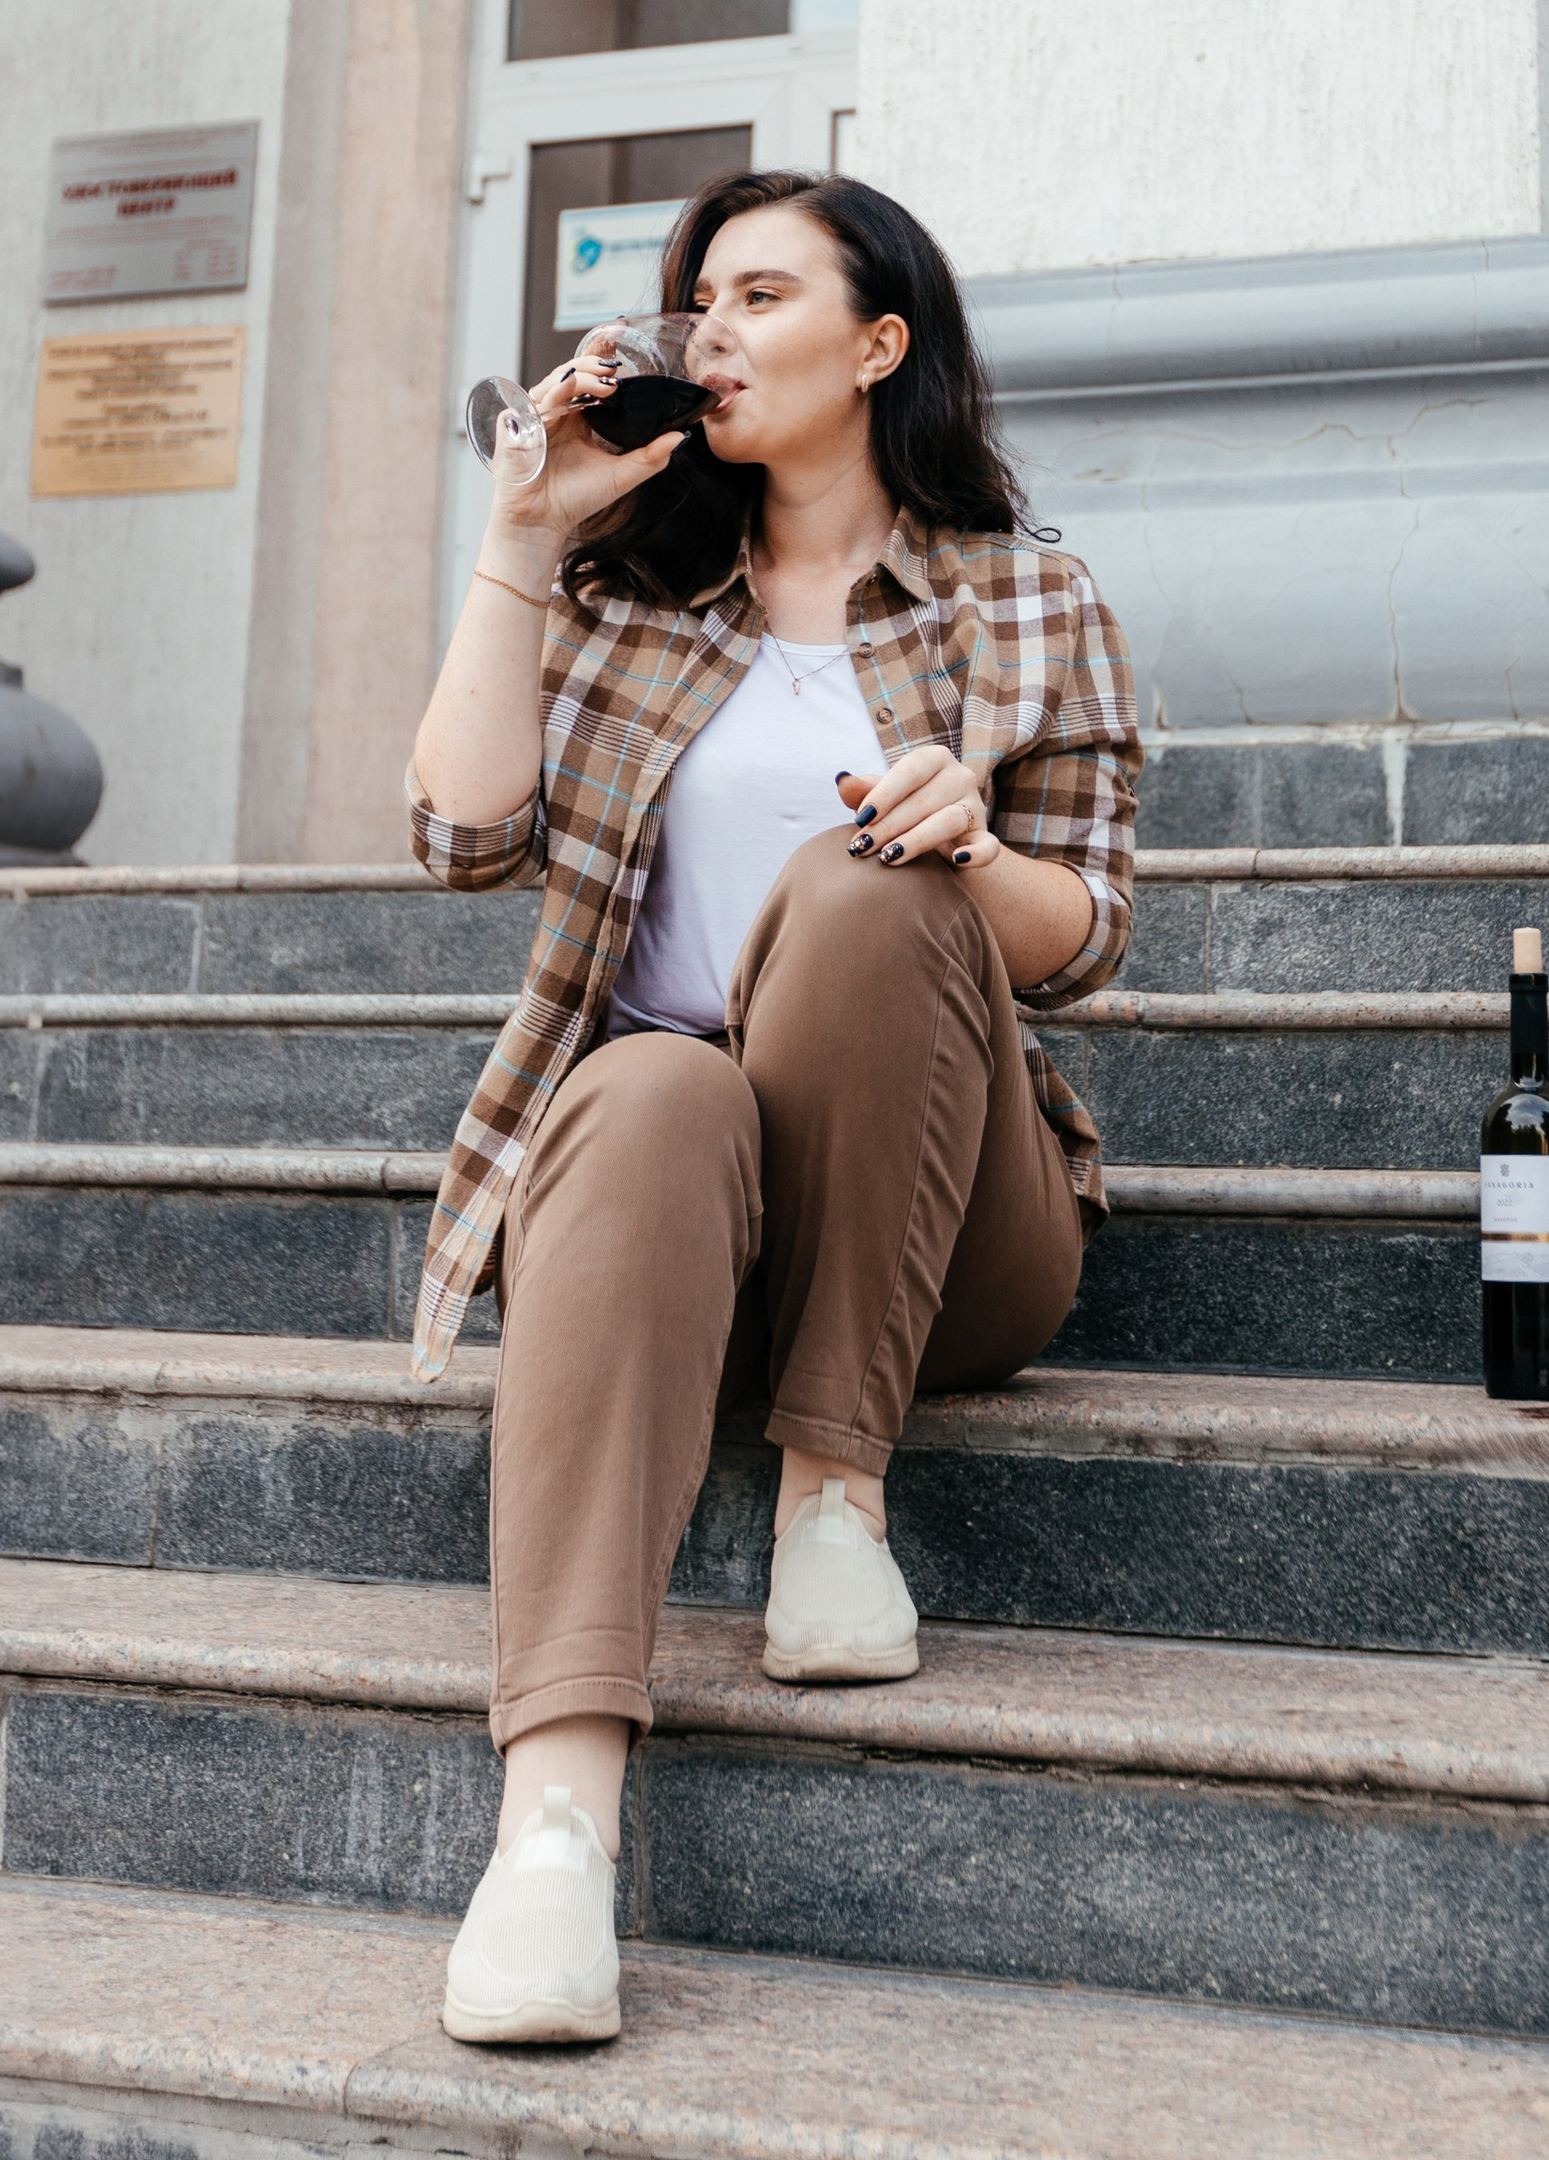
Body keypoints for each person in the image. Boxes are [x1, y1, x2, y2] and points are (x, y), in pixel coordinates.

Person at [405, 169, 1139, 2045]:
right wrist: (518, 543)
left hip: (945, 1228)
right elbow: (459, 836)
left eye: (755, 298)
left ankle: (836, 1497)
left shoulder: (1026, 597)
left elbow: (1080, 942)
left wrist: (966, 841)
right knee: (646, 1085)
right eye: (693, 301)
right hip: (671, 1209)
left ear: (879, 344)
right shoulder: (626, 583)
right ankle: (554, 1830)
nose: (704, 333)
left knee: (876, 876)